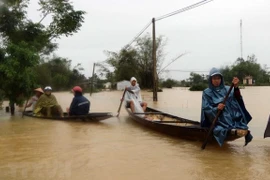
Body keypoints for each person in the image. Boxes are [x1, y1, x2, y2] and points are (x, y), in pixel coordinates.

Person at [201, 67, 253, 146]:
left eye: (218, 78)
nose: (216, 81)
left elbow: (237, 99)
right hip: (217, 118)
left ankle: (232, 124)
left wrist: (235, 87)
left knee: (240, 121)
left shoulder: (228, 89)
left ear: (221, 79)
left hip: (231, 117)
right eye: (214, 78)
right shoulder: (207, 92)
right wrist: (216, 108)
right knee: (219, 129)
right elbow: (206, 108)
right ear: (211, 80)